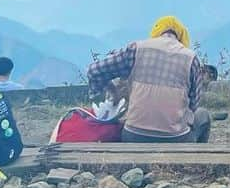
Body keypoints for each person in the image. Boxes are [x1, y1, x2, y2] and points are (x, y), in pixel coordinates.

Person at [86, 15, 213, 143]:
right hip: (175, 140)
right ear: (182, 37)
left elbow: (94, 71)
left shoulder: (136, 50)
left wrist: (112, 92)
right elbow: (194, 105)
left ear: (156, 33)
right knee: (203, 115)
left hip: (133, 136)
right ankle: (193, 160)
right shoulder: (191, 58)